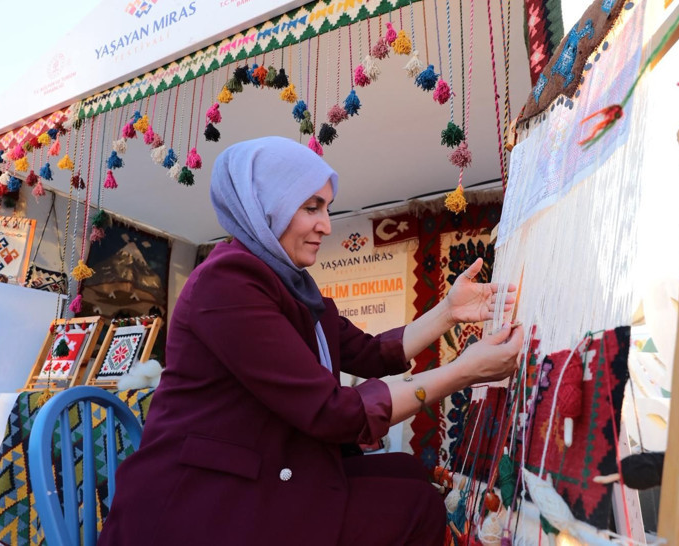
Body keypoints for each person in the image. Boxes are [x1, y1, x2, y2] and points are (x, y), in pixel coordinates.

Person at [98, 136, 523, 545]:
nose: (325, 224)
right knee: (418, 508)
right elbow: (330, 411)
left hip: (264, 470)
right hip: (204, 501)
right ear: (265, 208)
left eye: (327, 207)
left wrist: (449, 310)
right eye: (310, 207)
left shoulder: (293, 287)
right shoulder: (225, 284)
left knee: (410, 474)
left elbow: (372, 354)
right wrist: (465, 371)